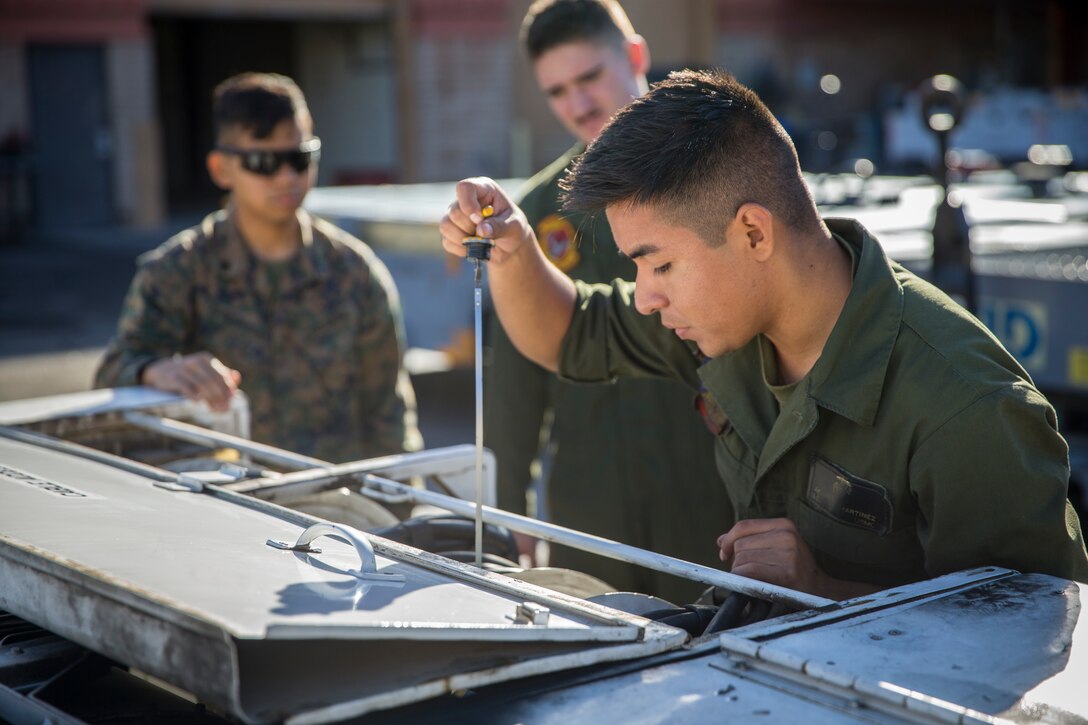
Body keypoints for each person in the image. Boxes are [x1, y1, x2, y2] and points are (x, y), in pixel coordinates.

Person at [442, 69, 1088, 599]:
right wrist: (515, 247)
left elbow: (1028, 649)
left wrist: (823, 590)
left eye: (660, 262)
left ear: (754, 232)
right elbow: (571, 332)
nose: (645, 293)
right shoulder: (723, 321)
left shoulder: (967, 407)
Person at [486, 0, 727, 601]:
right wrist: (507, 511)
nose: (578, 104)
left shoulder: (718, 179)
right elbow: (517, 380)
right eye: (557, 91)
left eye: (590, 77)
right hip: (588, 513)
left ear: (636, 56)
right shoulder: (538, 212)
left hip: (709, 498)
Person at [95, 72, 422, 463]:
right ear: (222, 169)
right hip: (222, 505)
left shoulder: (354, 273)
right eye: (264, 162)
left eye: (300, 159)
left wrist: (393, 516)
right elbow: (112, 373)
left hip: (334, 509)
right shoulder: (177, 273)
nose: (287, 177)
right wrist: (155, 370)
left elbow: (389, 417)